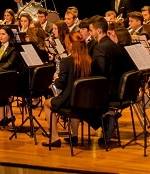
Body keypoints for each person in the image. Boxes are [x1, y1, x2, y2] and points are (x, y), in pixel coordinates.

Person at [41, 31, 94, 148]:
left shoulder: (66, 61)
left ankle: (54, 138)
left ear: (70, 45)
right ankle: (74, 135)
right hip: (86, 101)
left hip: (69, 101)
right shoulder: (90, 61)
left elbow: (61, 84)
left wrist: (56, 79)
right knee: (75, 107)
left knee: (46, 104)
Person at [89, 15, 130, 143]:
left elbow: (100, 72)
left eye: (91, 30)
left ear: (99, 31)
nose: (90, 33)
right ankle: (108, 117)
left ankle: (107, 117)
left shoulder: (100, 47)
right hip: (119, 89)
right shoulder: (115, 45)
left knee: (79, 99)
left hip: (109, 92)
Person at [0, 25, 20, 127]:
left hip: (10, 74)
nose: (0, 36)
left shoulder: (13, 48)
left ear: (9, 35)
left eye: (3, 34)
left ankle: (3, 115)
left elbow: (10, 63)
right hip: (0, 73)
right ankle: (7, 115)